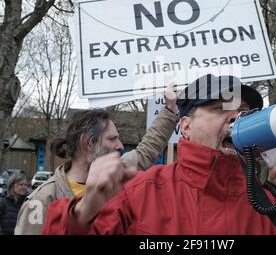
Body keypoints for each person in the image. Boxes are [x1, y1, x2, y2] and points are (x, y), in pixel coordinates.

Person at [42, 74, 276, 235]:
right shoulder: (138, 193)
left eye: (247, 113)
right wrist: (83, 215)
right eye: (221, 108)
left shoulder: (270, 204)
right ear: (185, 126)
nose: (238, 118)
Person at [14, 86, 178, 235]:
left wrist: (170, 108)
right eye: (112, 139)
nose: (120, 145)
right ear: (88, 143)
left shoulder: (117, 174)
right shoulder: (43, 200)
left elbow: (146, 150)